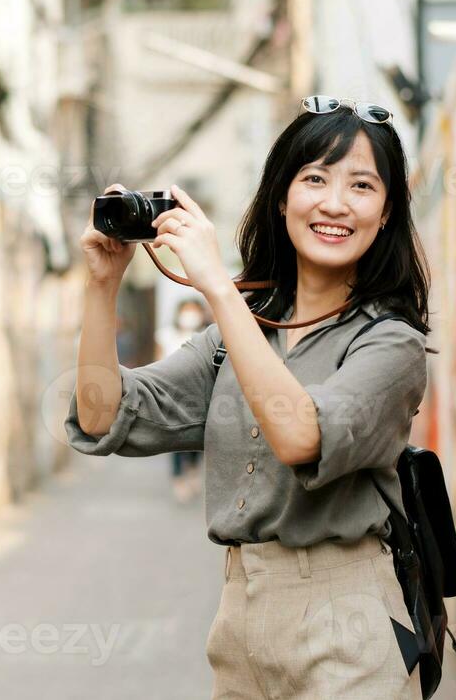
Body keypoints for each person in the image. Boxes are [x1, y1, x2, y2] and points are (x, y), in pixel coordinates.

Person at [68, 96, 430, 699]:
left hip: (348, 621)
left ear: (387, 212)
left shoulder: (391, 345)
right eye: (314, 179)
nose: (335, 204)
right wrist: (103, 286)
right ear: (282, 198)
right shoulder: (236, 337)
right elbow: (102, 415)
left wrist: (216, 283)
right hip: (240, 624)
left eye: (361, 186)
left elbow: (300, 435)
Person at [158, 298, 211, 503]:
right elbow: (159, 363)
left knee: (197, 436)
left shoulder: (208, 335)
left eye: (194, 310)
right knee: (175, 438)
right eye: (186, 310)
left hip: (200, 394)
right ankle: (179, 478)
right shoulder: (166, 335)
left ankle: (193, 471)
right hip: (173, 394)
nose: (190, 315)